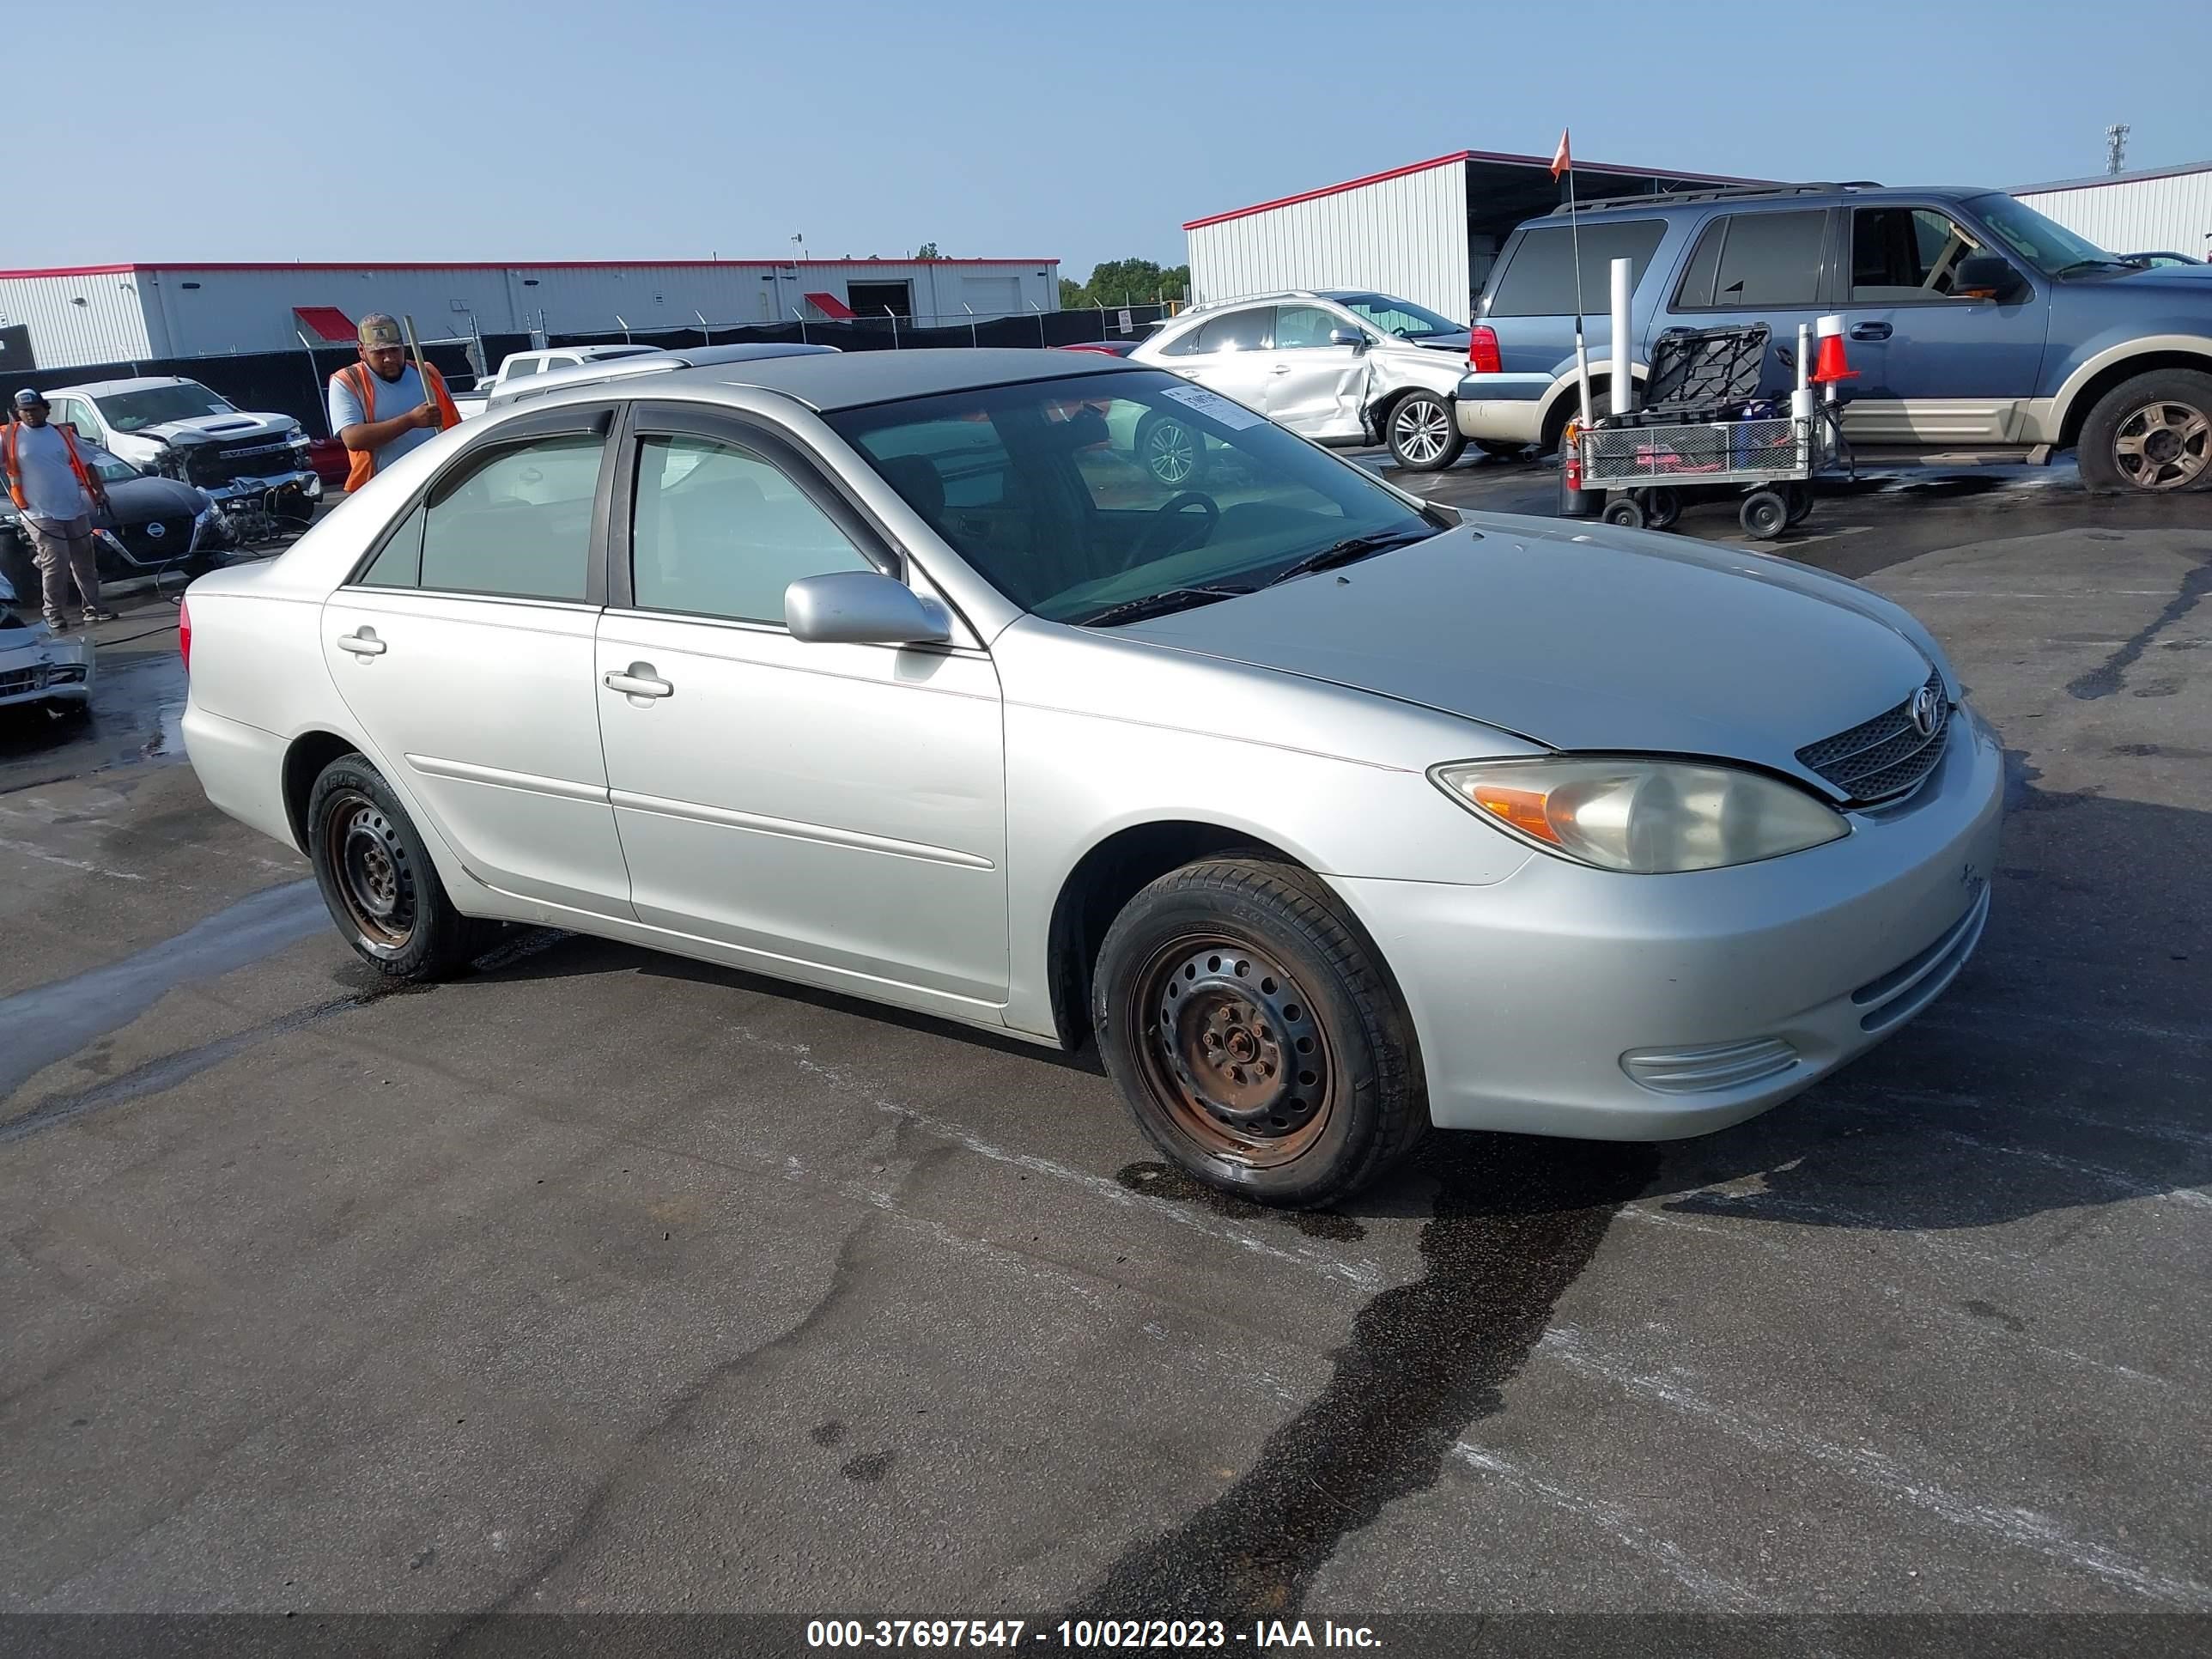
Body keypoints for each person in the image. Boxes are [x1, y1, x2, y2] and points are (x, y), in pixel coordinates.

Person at [3, 388, 115, 629]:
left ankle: (94, 608)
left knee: (85, 561)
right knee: (56, 561)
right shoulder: (9, 436)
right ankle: (53, 612)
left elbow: (87, 464)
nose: (30, 415)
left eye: (34, 410)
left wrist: (99, 491)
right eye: (25, 411)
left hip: (73, 507)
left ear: (45, 409)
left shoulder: (62, 434)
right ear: (17, 413)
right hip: (38, 512)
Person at [328, 313, 460, 492]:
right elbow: (353, 438)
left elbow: (455, 429)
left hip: (438, 482)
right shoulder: (348, 381)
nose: (388, 358)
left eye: (394, 350)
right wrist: (411, 421)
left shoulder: (427, 374)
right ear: (361, 351)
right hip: (385, 492)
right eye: (379, 352)